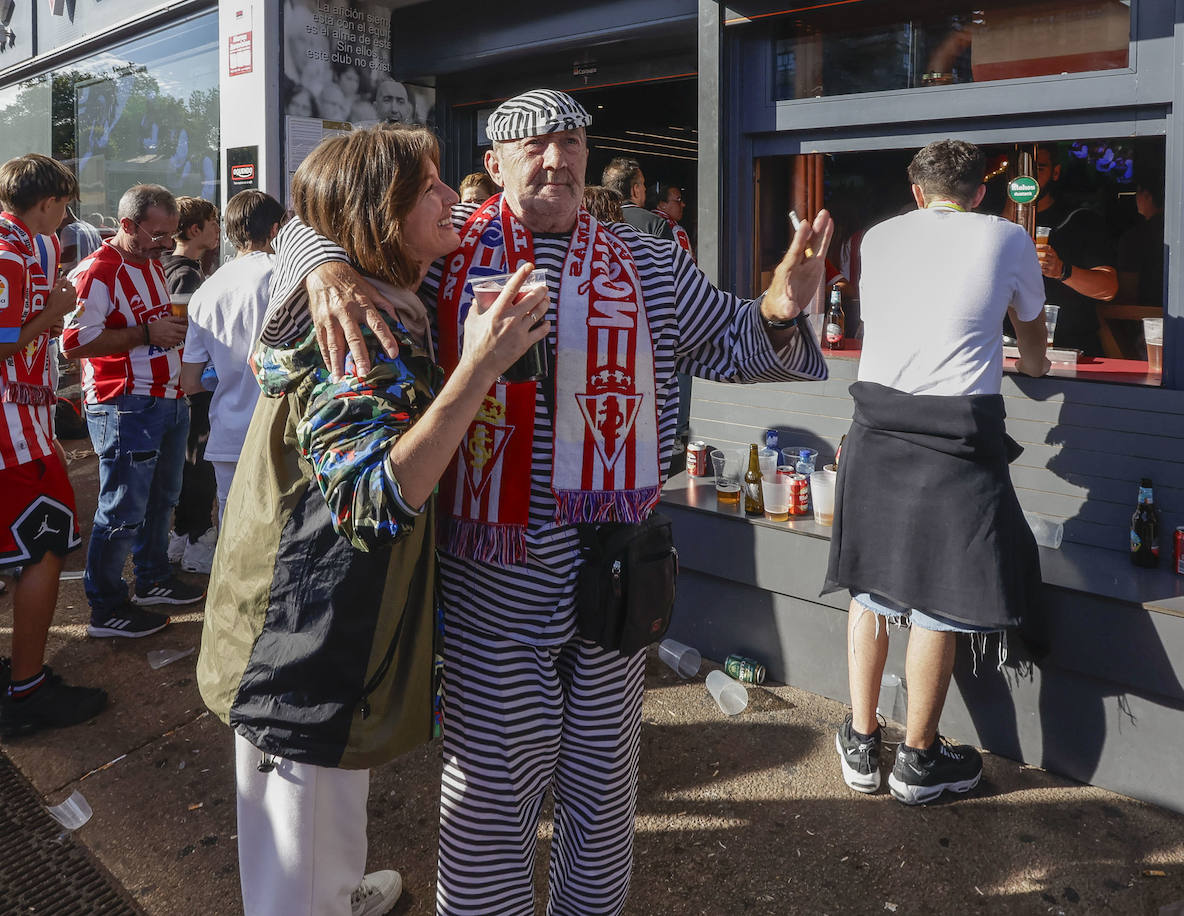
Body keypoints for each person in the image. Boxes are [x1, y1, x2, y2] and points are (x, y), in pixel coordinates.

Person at [271, 88, 831, 914]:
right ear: (493, 164)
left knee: (604, 799)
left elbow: (736, 340)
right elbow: (304, 224)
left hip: (613, 570)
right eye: (532, 143)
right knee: (492, 800)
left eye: (569, 140)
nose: (556, 157)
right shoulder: (443, 254)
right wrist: (320, 266)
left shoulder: (648, 259)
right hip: (491, 575)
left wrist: (783, 304)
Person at [199, 124, 549, 916]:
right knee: (297, 860)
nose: (447, 192)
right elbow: (372, 505)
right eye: (424, 186)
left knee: (331, 819)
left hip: (330, 633)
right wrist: (480, 368)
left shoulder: (386, 293)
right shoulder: (355, 336)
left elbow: (296, 226)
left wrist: (320, 260)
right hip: (302, 648)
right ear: (378, 220)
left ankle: (339, 889)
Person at [825, 139, 1049, 805]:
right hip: (957, 435)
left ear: (917, 190)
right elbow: (1032, 345)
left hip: (877, 425)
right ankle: (919, 761)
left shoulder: (879, 239)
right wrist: (1030, 365)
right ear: (982, 191)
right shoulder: (1009, 237)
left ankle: (862, 744)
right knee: (939, 598)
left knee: (870, 584)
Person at [0, 154, 107, 737]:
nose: (66, 215)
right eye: (63, 204)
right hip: (2, 435)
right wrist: (52, 312)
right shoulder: (1, 257)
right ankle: (27, 691)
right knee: (45, 548)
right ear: (46, 203)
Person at [62, 184, 204, 639]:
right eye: (158, 233)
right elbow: (74, 342)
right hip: (124, 404)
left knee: (162, 500)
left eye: (172, 233)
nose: (167, 242)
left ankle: (153, 578)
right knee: (122, 509)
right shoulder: (98, 271)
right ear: (127, 225)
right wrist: (145, 333)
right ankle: (106, 607)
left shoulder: (148, 264)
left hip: (164, 398)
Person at [178, 190, 284, 523]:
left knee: (233, 529)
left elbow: (190, 381)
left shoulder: (207, 289)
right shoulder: (284, 274)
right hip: (280, 429)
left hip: (228, 429)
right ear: (275, 230)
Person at [161, 196, 221, 572]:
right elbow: (187, 336)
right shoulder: (185, 274)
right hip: (191, 386)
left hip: (176, 386)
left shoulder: (169, 266)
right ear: (195, 229)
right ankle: (198, 542)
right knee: (199, 466)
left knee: (186, 466)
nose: (218, 230)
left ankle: (182, 536)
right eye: (213, 223)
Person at [1029, 144, 1118, 355]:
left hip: (1070, 346)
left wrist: (1061, 270)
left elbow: (1108, 288)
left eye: (1038, 169)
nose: (1029, 179)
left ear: (1055, 172)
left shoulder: (1080, 219)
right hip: (1003, 346)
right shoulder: (993, 221)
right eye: (1021, 172)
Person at [601, 156, 674, 241]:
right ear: (635, 190)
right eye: (643, 183)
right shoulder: (655, 224)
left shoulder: (594, 222)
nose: (645, 189)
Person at [58, 207, 103, 277]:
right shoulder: (92, 228)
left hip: (75, 275)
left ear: (62, 214)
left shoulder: (69, 229)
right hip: (92, 273)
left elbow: (70, 255)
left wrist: (50, 258)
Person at [650, 183, 693, 254]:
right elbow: (685, 262)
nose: (683, 204)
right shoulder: (675, 229)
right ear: (662, 204)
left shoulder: (643, 223)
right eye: (678, 200)